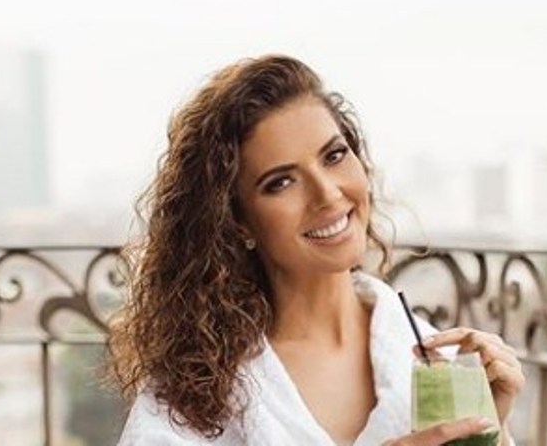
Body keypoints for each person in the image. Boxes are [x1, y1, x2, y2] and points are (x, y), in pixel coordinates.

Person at [108, 55, 525, 445]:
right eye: (281, 182)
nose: (327, 193)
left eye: (334, 156)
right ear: (237, 220)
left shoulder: (438, 360)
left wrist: (493, 432)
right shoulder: (192, 390)